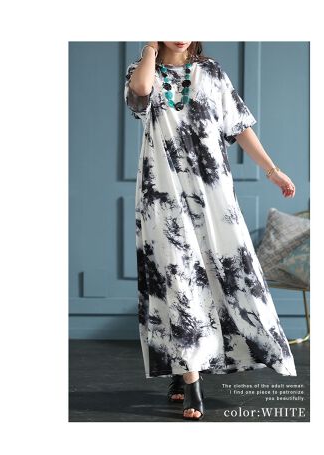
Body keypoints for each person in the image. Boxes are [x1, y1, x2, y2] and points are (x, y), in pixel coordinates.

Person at [124, 41, 297, 421]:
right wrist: (150, 48)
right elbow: (140, 93)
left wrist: (272, 170)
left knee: (232, 274)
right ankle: (191, 382)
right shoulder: (143, 70)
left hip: (213, 189)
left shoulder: (211, 72)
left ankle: (187, 363)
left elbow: (239, 125)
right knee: (178, 277)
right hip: (164, 191)